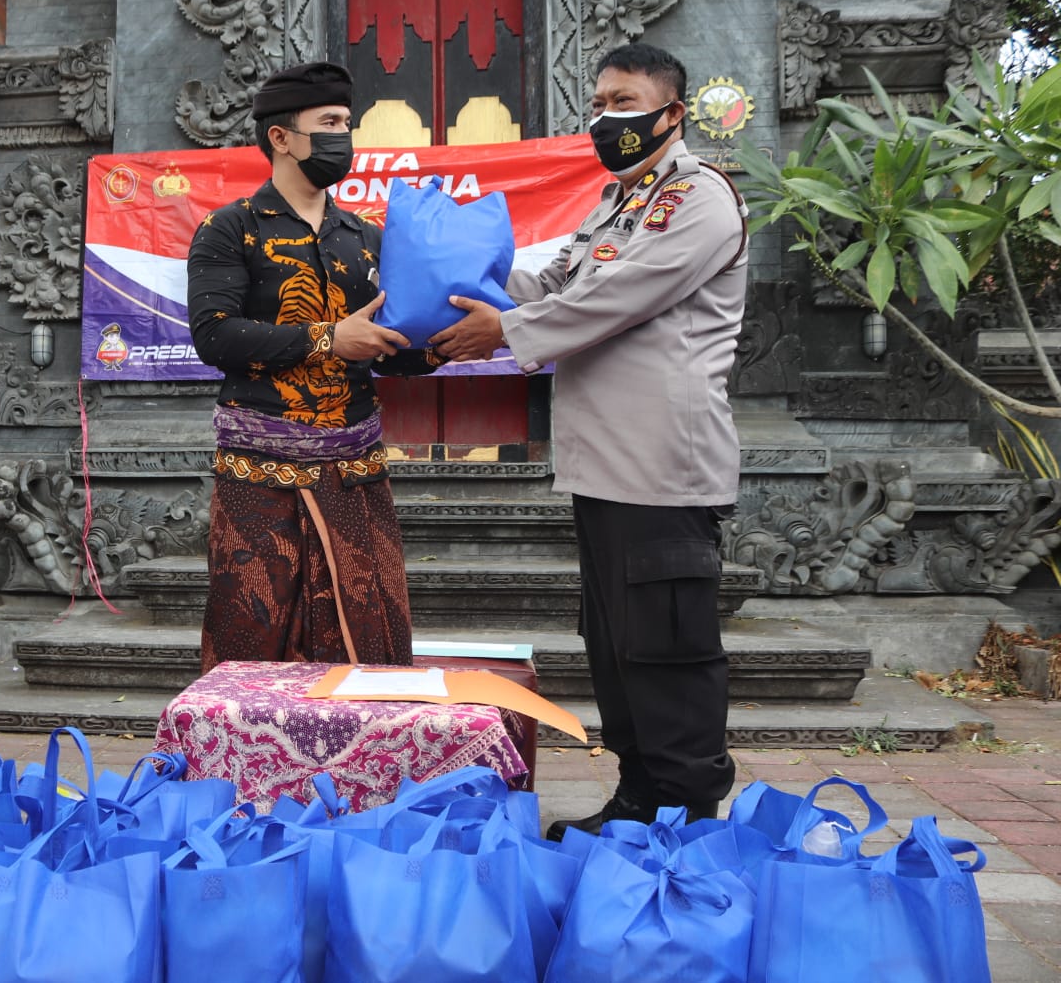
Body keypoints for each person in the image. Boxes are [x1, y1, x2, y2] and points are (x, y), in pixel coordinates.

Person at [432, 43, 748, 838]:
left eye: (627, 101)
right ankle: (639, 797)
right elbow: (560, 286)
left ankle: (684, 814)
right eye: (600, 102)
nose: (609, 117)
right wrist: (465, 261)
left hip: (663, 465)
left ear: (672, 113)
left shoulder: (698, 199)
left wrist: (503, 329)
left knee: (668, 648)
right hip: (605, 464)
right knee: (616, 646)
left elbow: (621, 296)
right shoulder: (616, 203)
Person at [185, 61, 438, 673]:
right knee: (255, 632)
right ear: (280, 137)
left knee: (367, 631)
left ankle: (358, 764)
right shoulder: (230, 228)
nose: (342, 137)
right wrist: (329, 338)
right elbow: (215, 335)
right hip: (261, 473)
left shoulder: (367, 237)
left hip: (355, 470)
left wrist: (436, 348)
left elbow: (385, 347)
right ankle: (249, 764)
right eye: (328, 123)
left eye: (347, 124)